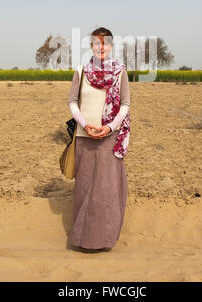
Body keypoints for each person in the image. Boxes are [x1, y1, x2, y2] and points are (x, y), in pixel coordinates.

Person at [67, 27, 130, 252]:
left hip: (108, 139)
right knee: (84, 189)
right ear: (91, 46)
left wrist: (109, 127)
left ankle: (104, 240)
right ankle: (82, 240)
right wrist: (85, 124)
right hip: (85, 137)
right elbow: (73, 101)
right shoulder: (81, 70)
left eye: (105, 44)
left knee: (105, 190)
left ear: (111, 46)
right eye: (96, 43)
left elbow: (125, 105)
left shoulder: (120, 72)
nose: (101, 47)